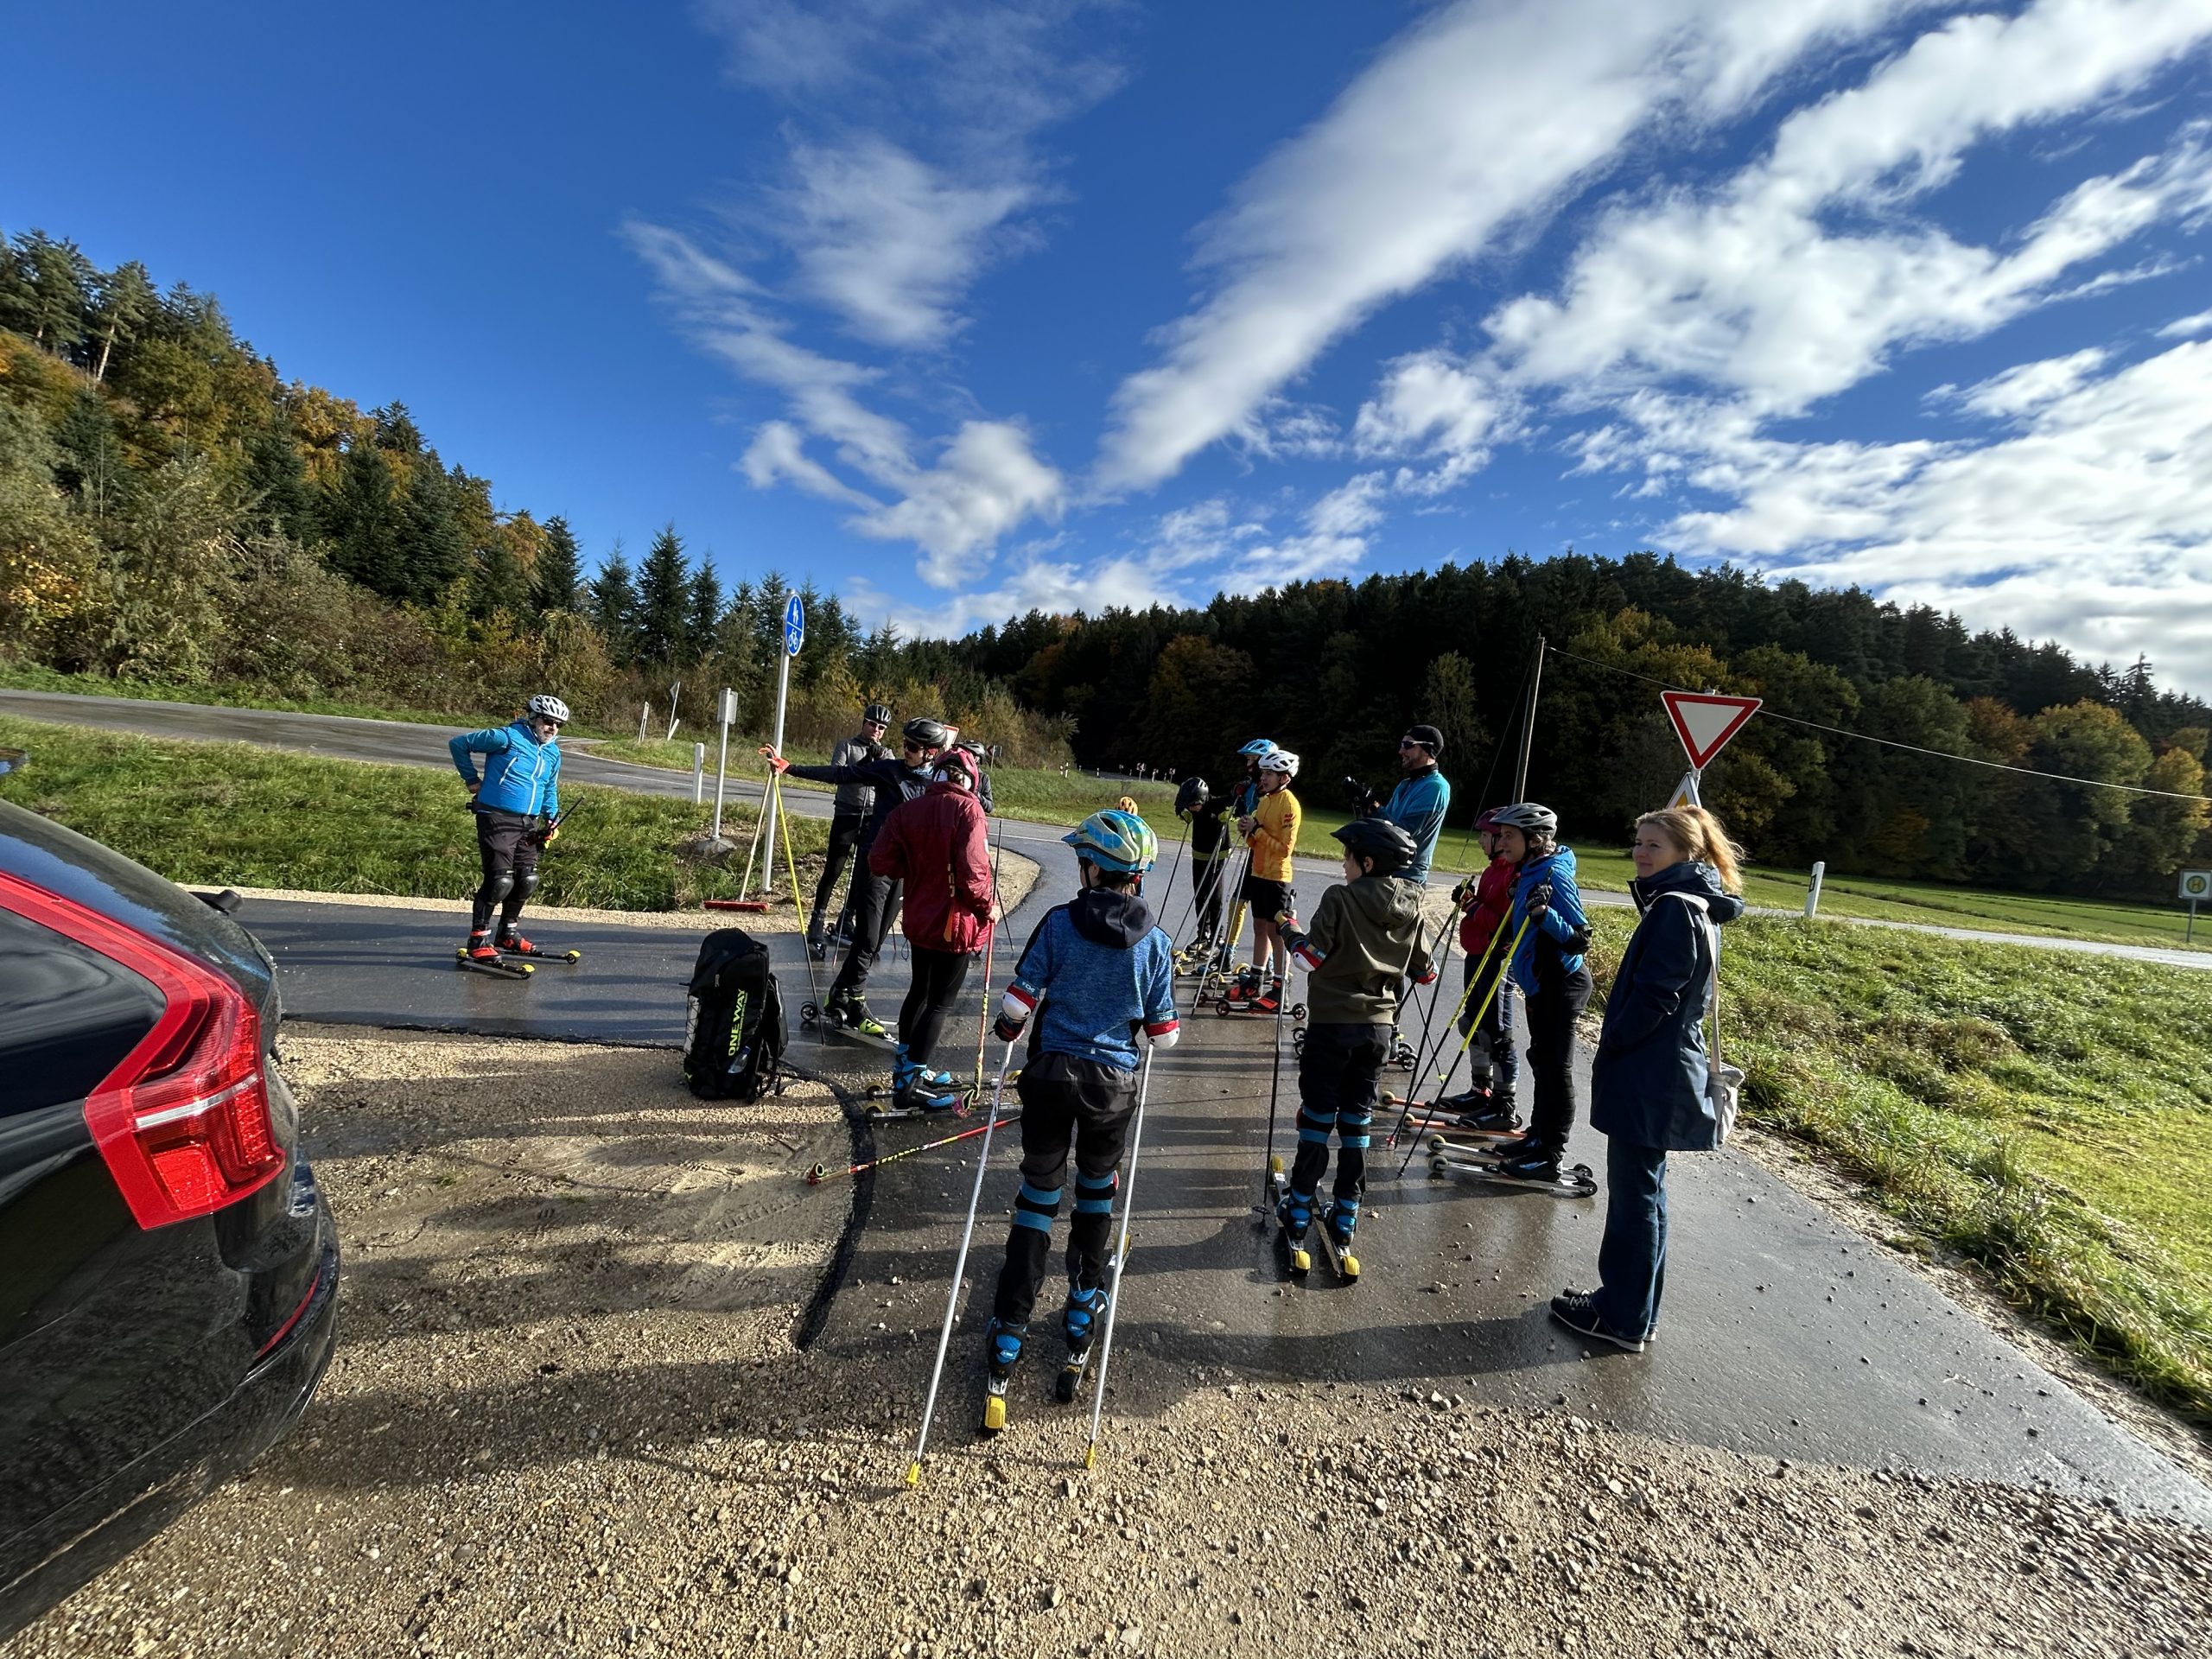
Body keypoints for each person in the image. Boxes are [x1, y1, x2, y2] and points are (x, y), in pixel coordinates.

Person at [982, 809, 1179, 1403]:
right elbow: (1163, 1034)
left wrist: (1005, 1030)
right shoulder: (1158, 942)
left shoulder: (1059, 923)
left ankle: (1012, 1324)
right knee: (1096, 1192)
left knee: (1039, 1197)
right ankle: (1083, 1305)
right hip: (1110, 1086)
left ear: (1094, 869)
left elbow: (1018, 1005)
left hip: (1048, 1077)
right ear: (1136, 877)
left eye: (1082, 862)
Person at [1554, 805, 1745, 1351]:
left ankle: (1620, 1317)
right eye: (1638, 842)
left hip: (1650, 1072)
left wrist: (1614, 1040)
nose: (1640, 852)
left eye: (1654, 845)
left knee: (1635, 1198)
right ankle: (1637, 1311)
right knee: (1648, 1194)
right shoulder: (1689, 905)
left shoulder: (1674, 911)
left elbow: (1660, 995)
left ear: (1687, 853)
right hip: (1660, 1068)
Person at [1273, 819, 1437, 1268]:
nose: (1343, 866)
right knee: (1356, 1121)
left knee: (1317, 1117)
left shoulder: (1340, 898)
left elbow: (1309, 959)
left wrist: (1288, 928)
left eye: (1347, 859)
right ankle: (1346, 1214)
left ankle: (1300, 1207)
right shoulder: (1414, 903)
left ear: (1366, 863)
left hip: (1332, 1024)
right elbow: (1427, 974)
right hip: (1378, 1030)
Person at [760, 715, 951, 1038]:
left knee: (874, 944)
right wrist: (790, 767)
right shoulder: (889, 771)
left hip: (906, 872)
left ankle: (839, 994)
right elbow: (842, 774)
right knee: (867, 938)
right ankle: (856, 1001)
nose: (905, 750)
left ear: (931, 752)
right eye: (905, 743)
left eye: (913, 747)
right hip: (876, 865)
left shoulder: (937, 786)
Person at [867, 747, 995, 1112]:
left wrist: (918, 870)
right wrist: (989, 907)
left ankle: (907, 1068)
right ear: (968, 780)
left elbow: (880, 861)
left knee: (919, 992)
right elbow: (973, 877)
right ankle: (910, 1083)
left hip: (920, 918)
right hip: (954, 924)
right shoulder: (970, 809)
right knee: (940, 1002)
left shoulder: (908, 809)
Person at [1484, 803, 1592, 1185]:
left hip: (1561, 983)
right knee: (1540, 1061)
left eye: (1509, 836)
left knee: (1556, 1069)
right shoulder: (1529, 870)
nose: (1501, 842)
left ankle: (1551, 1154)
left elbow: (1581, 938)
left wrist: (1546, 915)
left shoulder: (1554, 874)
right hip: (1539, 982)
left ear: (1535, 840)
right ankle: (1536, 1137)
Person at [449, 694, 567, 963]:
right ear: (534, 718)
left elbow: (549, 787)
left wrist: (551, 819)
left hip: (529, 822)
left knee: (527, 879)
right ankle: (478, 938)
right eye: (549, 722)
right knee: (500, 880)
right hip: (497, 817)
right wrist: (471, 780)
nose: (553, 729)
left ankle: (507, 933)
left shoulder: (552, 752)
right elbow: (458, 744)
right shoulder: (506, 737)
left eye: (559, 725)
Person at [1441, 809, 1519, 1124]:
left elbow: (1503, 924)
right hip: (1477, 953)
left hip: (1496, 958)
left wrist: (1471, 905)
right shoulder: (1492, 870)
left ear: (1500, 839)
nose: (1479, 842)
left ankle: (1505, 1104)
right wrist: (1467, 899)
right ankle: (1480, 1089)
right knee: (1472, 1022)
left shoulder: (1513, 874)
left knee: (1496, 1031)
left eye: (1484, 836)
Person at [808, 702, 892, 954]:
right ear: (864, 723)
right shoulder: (847, 746)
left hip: (870, 817)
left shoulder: (885, 753)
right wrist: (868, 761)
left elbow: (889, 782)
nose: (876, 730)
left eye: (881, 727)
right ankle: (817, 920)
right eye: (872, 724)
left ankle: (847, 917)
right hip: (847, 813)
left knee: (863, 872)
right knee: (834, 868)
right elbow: (839, 772)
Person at [1236, 748, 1301, 1014]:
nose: (1263, 778)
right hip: (1259, 873)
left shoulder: (1289, 805)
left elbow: (1285, 848)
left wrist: (1257, 831)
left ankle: (1279, 987)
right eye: (1262, 773)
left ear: (1284, 777)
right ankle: (1255, 978)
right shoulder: (1264, 801)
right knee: (1259, 928)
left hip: (1277, 877)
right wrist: (1247, 832)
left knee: (1277, 933)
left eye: (1269, 774)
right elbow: (1256, 840)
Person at [1377, 724, 1451, 887]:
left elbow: (1404, 833)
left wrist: (1374, 808)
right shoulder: (1405, 784)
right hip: (1388, 873)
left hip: (1408, 880)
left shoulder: (1435, 786)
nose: (1401, 751)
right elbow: (1383, 825)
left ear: (1427, 750)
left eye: (1408, 745)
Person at [1175, 776, 1231, 957]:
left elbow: (1236, 805)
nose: (1191, 809)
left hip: (1217, 857)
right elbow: (1183, 810)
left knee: (1215, 898)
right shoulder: (1192, 807)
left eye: (1193, 805)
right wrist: (1181, 810)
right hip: (1198, 855)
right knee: (1200, 895)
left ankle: (1217, 938)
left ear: (1202, 799)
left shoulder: (1218, 805)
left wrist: (1229, 815)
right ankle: (1203, 935)